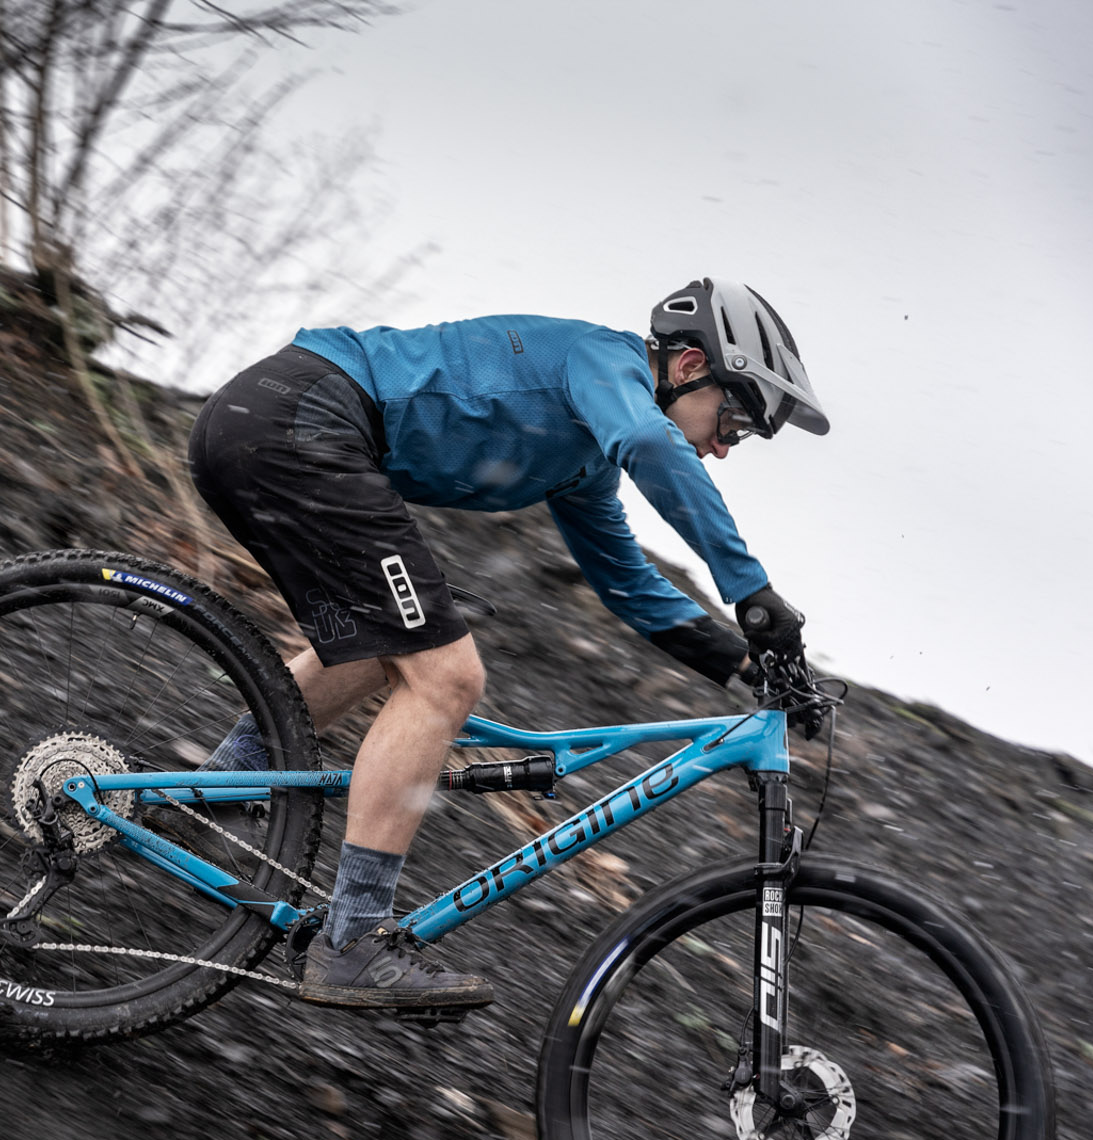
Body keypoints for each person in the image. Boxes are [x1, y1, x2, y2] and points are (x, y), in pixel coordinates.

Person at [186, 278, 827, 1010]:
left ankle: (221, 784)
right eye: (733, 422)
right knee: (448, 678)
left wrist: (746, 665)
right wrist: (752, 593)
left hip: (272, 424)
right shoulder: (601, 359)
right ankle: (352, 941)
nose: (723, 448)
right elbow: (650, 442)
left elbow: (624, 579)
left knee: (406, 634)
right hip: (302, 418)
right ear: (687, 367)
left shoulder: (586, 458)